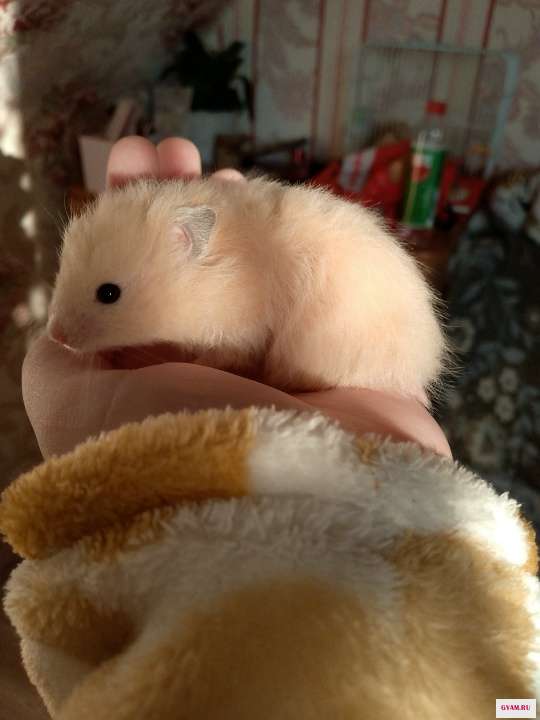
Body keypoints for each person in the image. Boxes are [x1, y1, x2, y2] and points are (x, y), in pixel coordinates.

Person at [23, 135, 451, 459]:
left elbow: (239, 341)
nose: (56, 329)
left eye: (108, 294)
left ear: (186, 241)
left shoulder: (222, 267)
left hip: (366, 341)